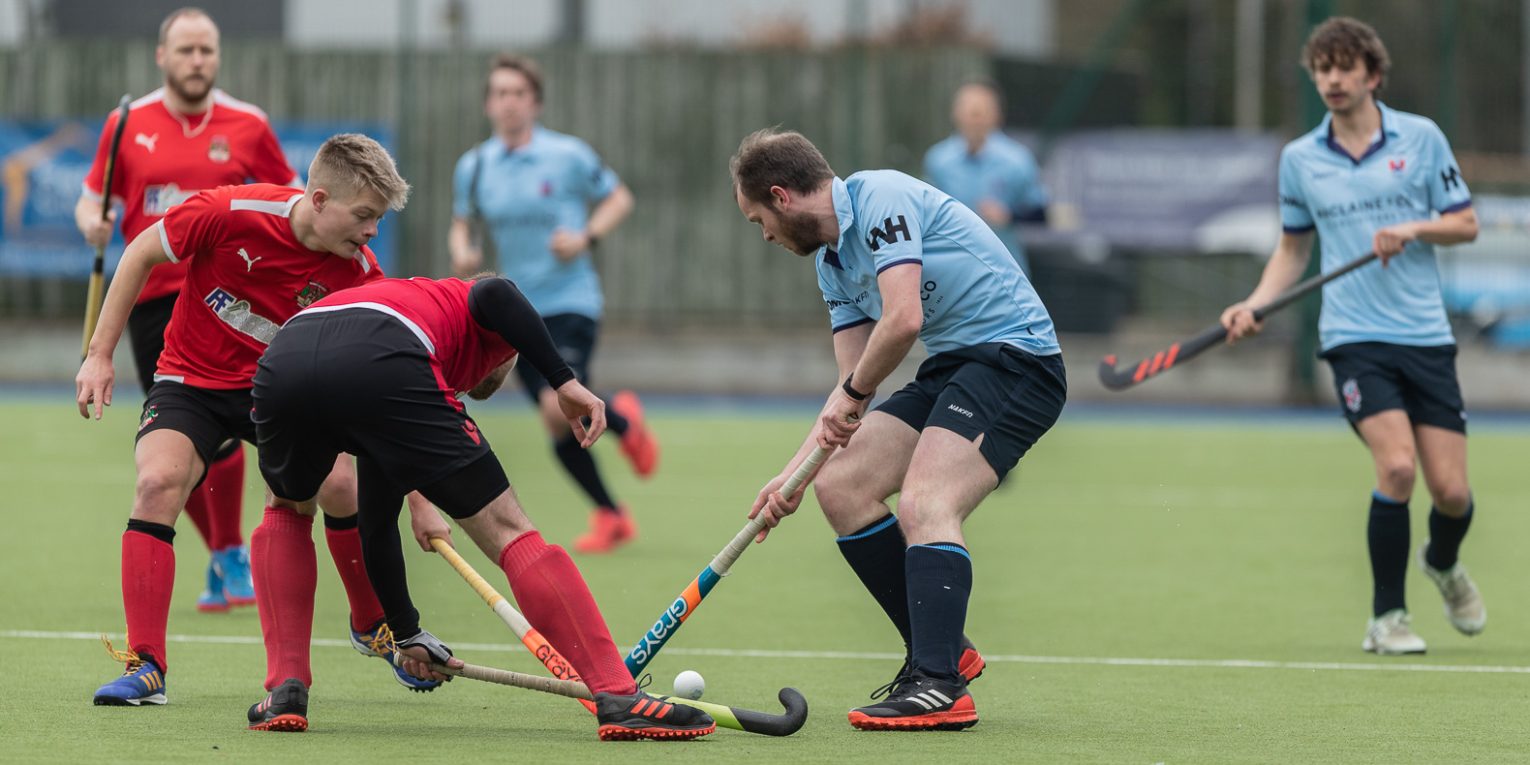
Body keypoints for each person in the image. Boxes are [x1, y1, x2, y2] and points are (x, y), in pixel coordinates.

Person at [248, 273, 716, 740]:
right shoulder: (469, 305)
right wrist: (563, 380)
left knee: (288, 507)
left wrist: (407, 633)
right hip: (384, 356)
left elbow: (376, 524)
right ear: (505, 344)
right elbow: (497, 290)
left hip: (283, 362)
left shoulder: (413, 308)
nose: (466, 391)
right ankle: (619, 696)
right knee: (510, 530)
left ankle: (285, 691)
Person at [76, 133, 443, 708]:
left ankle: (373, 623)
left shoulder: (362, 275)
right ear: (319, 200)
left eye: (378, 220)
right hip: (192, 380)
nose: (373, 232)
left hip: (285, 396)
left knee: (342, 484)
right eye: (365, 216)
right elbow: (142, 252)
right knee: (156, 484)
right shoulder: (229, 211)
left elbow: (383, 397)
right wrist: (99, 353)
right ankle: (145, 665)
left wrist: (419, 499)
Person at [731, 128, 1066, 730]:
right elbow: (847, 389)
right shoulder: (833, 266)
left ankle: (939, 685)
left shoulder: (881, 197)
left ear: (781, 197)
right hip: (954, 366)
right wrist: (791, 479)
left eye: (759, 220)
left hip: (1017, 360)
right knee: (842, 485)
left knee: (925, 503)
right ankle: (943, 645)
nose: (765, 237)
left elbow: (904, 319)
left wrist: (856, 396)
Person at [1220, 17, 1485, 655]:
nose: (1333, 79)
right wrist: (1256, 303)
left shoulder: (1420, 139)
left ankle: (1443, 564)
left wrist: (1414, 230)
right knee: (1396, 468)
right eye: (1322, 68)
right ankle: (1387, 617)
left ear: (1372, 75)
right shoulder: (1301, 159)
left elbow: (1467, 223)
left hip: (1424, 336)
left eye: (1345, 67)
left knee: (1450, 492)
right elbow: (1292, 249)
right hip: (1352, 339)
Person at [75, 6, 300, 613]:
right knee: (181, 433)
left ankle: (227, 555)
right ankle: (227, 554)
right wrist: (91, 224)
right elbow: (93, 199)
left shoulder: (248, 125)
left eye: (206, 51)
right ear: (162, 56)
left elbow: (295, 202)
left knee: (228, 426)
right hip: (153, 300)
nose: (197, 61)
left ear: (217, 57)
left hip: (234, 301)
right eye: (186, 51)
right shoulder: (127, 122)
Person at [448, 54, 657, 554]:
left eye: (518, 93)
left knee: (553, 405)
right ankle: (616, 484)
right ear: (488, 104)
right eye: (499, 93)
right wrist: (462, 250)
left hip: (571, 301)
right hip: (515, 313)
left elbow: (619, 199)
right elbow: (462, 221)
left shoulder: (567, 156)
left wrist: (586, 236)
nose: (508, 102)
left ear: (535, 102)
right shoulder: (474, 166)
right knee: (555, 415)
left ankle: (617, 469)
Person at [922, 81, 1048, 275]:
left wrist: (1009, 215)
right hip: (952, 271)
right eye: (969, 110)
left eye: (981, 110)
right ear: (955, 113)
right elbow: (926, 212)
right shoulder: (938, 160)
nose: (975, 118)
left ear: (997, 115)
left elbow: (1041, 212)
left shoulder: (1017, 160)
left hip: (1004, 270)